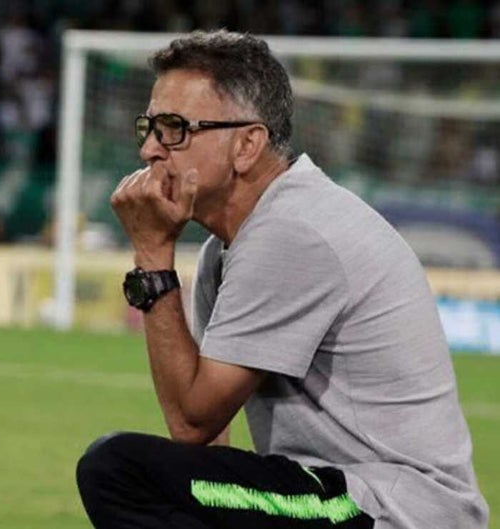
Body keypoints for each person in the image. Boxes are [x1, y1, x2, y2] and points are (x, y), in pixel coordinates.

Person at [75, 30, 488, 529]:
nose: (149, 150)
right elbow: (204, 436)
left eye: (174, 129)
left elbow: (191, 421)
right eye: (149, 128)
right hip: (332, 493)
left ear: (247, 145)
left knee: (117, 470)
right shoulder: (228, 248)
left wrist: (152, 255)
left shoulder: (291, 233)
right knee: (155, 479)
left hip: (393, 506)